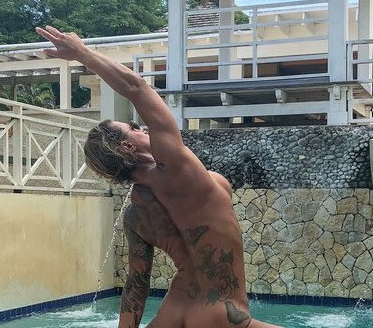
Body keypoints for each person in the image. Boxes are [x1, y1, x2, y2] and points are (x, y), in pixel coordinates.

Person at [36, 26, 281, 328]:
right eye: (132, 128)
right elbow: (137, 88)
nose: (140, 127)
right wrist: (82, 53)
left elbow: (136, 284)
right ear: (126, 146)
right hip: (219, 313)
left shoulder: (134, 214)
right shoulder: (176, 169)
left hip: (171, 316)